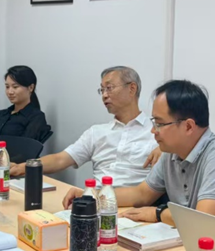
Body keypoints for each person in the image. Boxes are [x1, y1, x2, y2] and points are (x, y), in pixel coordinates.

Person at [62, 80, 215, 228]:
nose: (153, 131)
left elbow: (203, 221)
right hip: (189, 242)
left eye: (159, 124)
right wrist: (92, 196)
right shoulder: (171, 153)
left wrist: (158, 214)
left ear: (188, 126)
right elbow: (141, 194)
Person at [11, 66, 159, 186]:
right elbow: (60, 159)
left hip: (137, 206)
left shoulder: (157, 132)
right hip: (96, 201)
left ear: (132, 89)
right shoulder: (97, 132)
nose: (104, 95)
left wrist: (164, 150)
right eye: (102, 90)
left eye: (109, 88)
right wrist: (20, 168)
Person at [0, 65, 50, 146]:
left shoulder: (36, 117)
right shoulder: (1, 114)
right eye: (7, 87)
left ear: (31, 87)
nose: (10, 92)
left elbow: (26, 147)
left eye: (15, 87)